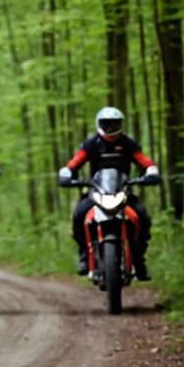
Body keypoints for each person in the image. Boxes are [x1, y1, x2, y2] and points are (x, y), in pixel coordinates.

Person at [56, 107, 159, 279]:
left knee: (142, 217)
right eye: (107, 124)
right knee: (79, 214)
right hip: (97, 192)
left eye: (115, 124)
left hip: (122, 192)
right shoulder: (91, 144)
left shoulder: (128, 143)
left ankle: (139, 259)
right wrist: (67, 174)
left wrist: (151, 172)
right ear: (99, 124)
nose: (111, 128)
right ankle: (83, 255)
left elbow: (144, 161)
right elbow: (74, 163)